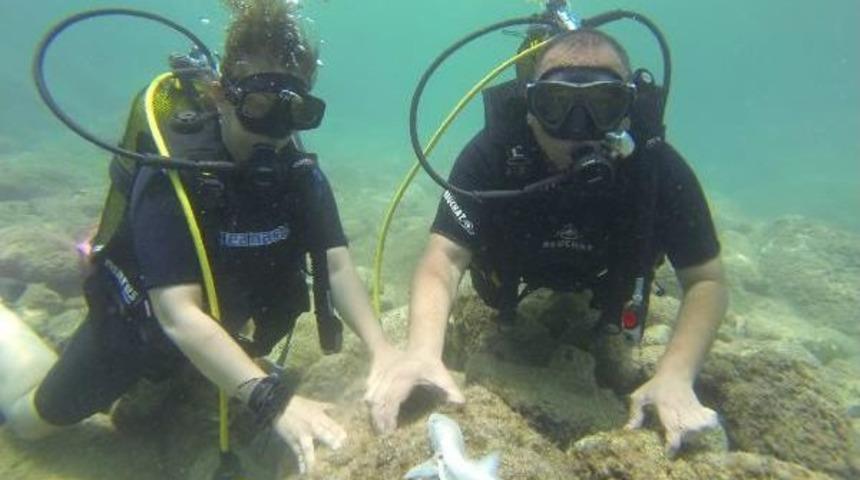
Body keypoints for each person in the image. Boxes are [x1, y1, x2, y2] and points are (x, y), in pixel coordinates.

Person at [0, 0, 396, 473]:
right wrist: (272, 400)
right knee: (30, 423)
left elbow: (337, 266)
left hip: (223, 329)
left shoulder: (300, 174)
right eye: (258, 106)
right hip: (138, 333)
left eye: (292, 112)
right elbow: (179, 314)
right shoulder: (174, 171)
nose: (274, 132)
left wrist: (384, 352)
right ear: (220, 95)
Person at [366, 28, 728, 455]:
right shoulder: (492, 154)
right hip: (510, 278)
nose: (579, 131)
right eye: (557, 105)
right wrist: (423, 352)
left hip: (607, 281)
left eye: (603, 105)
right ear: (531, 109)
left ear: (628, 109)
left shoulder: (657, 168)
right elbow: (443, 258)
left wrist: (676, 374)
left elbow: (707, 279)